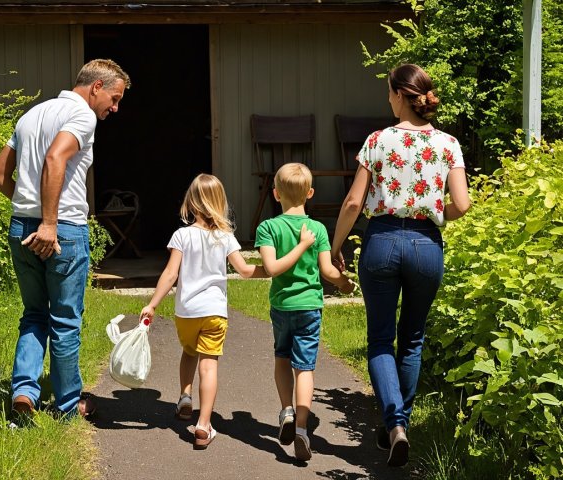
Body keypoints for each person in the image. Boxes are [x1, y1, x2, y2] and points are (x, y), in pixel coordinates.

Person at [330, 63, 471, 467]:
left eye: (388, 92)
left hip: (383, 241)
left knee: (380, 340)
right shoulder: (448, 144)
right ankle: (399, 425)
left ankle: (394, 424)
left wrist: (336, 247)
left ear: (397, 95)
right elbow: (461, 203)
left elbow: (354, 202)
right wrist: (431, 214)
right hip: (427, 244)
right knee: (412, 339)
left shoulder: (378, 140)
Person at [0, 59, 131, 418]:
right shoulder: (82, 116)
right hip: (62, 231)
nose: (114, 108)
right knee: (65, 321)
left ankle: (24, 393)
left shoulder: (31, 115)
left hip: (21, 227)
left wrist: (28, 208)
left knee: (34, 314)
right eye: (114, 98)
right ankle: (68, 408)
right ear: (96, 87)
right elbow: (56, 159)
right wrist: (49, 223)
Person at [140, 173, 267, 450]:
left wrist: (152, 304)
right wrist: (270, 269)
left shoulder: (181, 235)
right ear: (219, 203)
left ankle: (185, 396)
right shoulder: (225, 237)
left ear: (192, 203)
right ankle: (203, 424)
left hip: (187, 312)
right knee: (208, 365)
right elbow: (245, 271)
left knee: (188, 352)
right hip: (214, 312)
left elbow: (171, 273)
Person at [254, 162, 355, 461]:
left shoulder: (268, 228)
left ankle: (286, 410)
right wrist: (345, 283)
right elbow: (327, 271)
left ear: (275, 194)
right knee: (305, 368)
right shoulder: (318, 229)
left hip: (282, 305)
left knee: (282, 358)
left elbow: (271, 268)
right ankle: (300, 428)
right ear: (310, 193)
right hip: (310, 306)